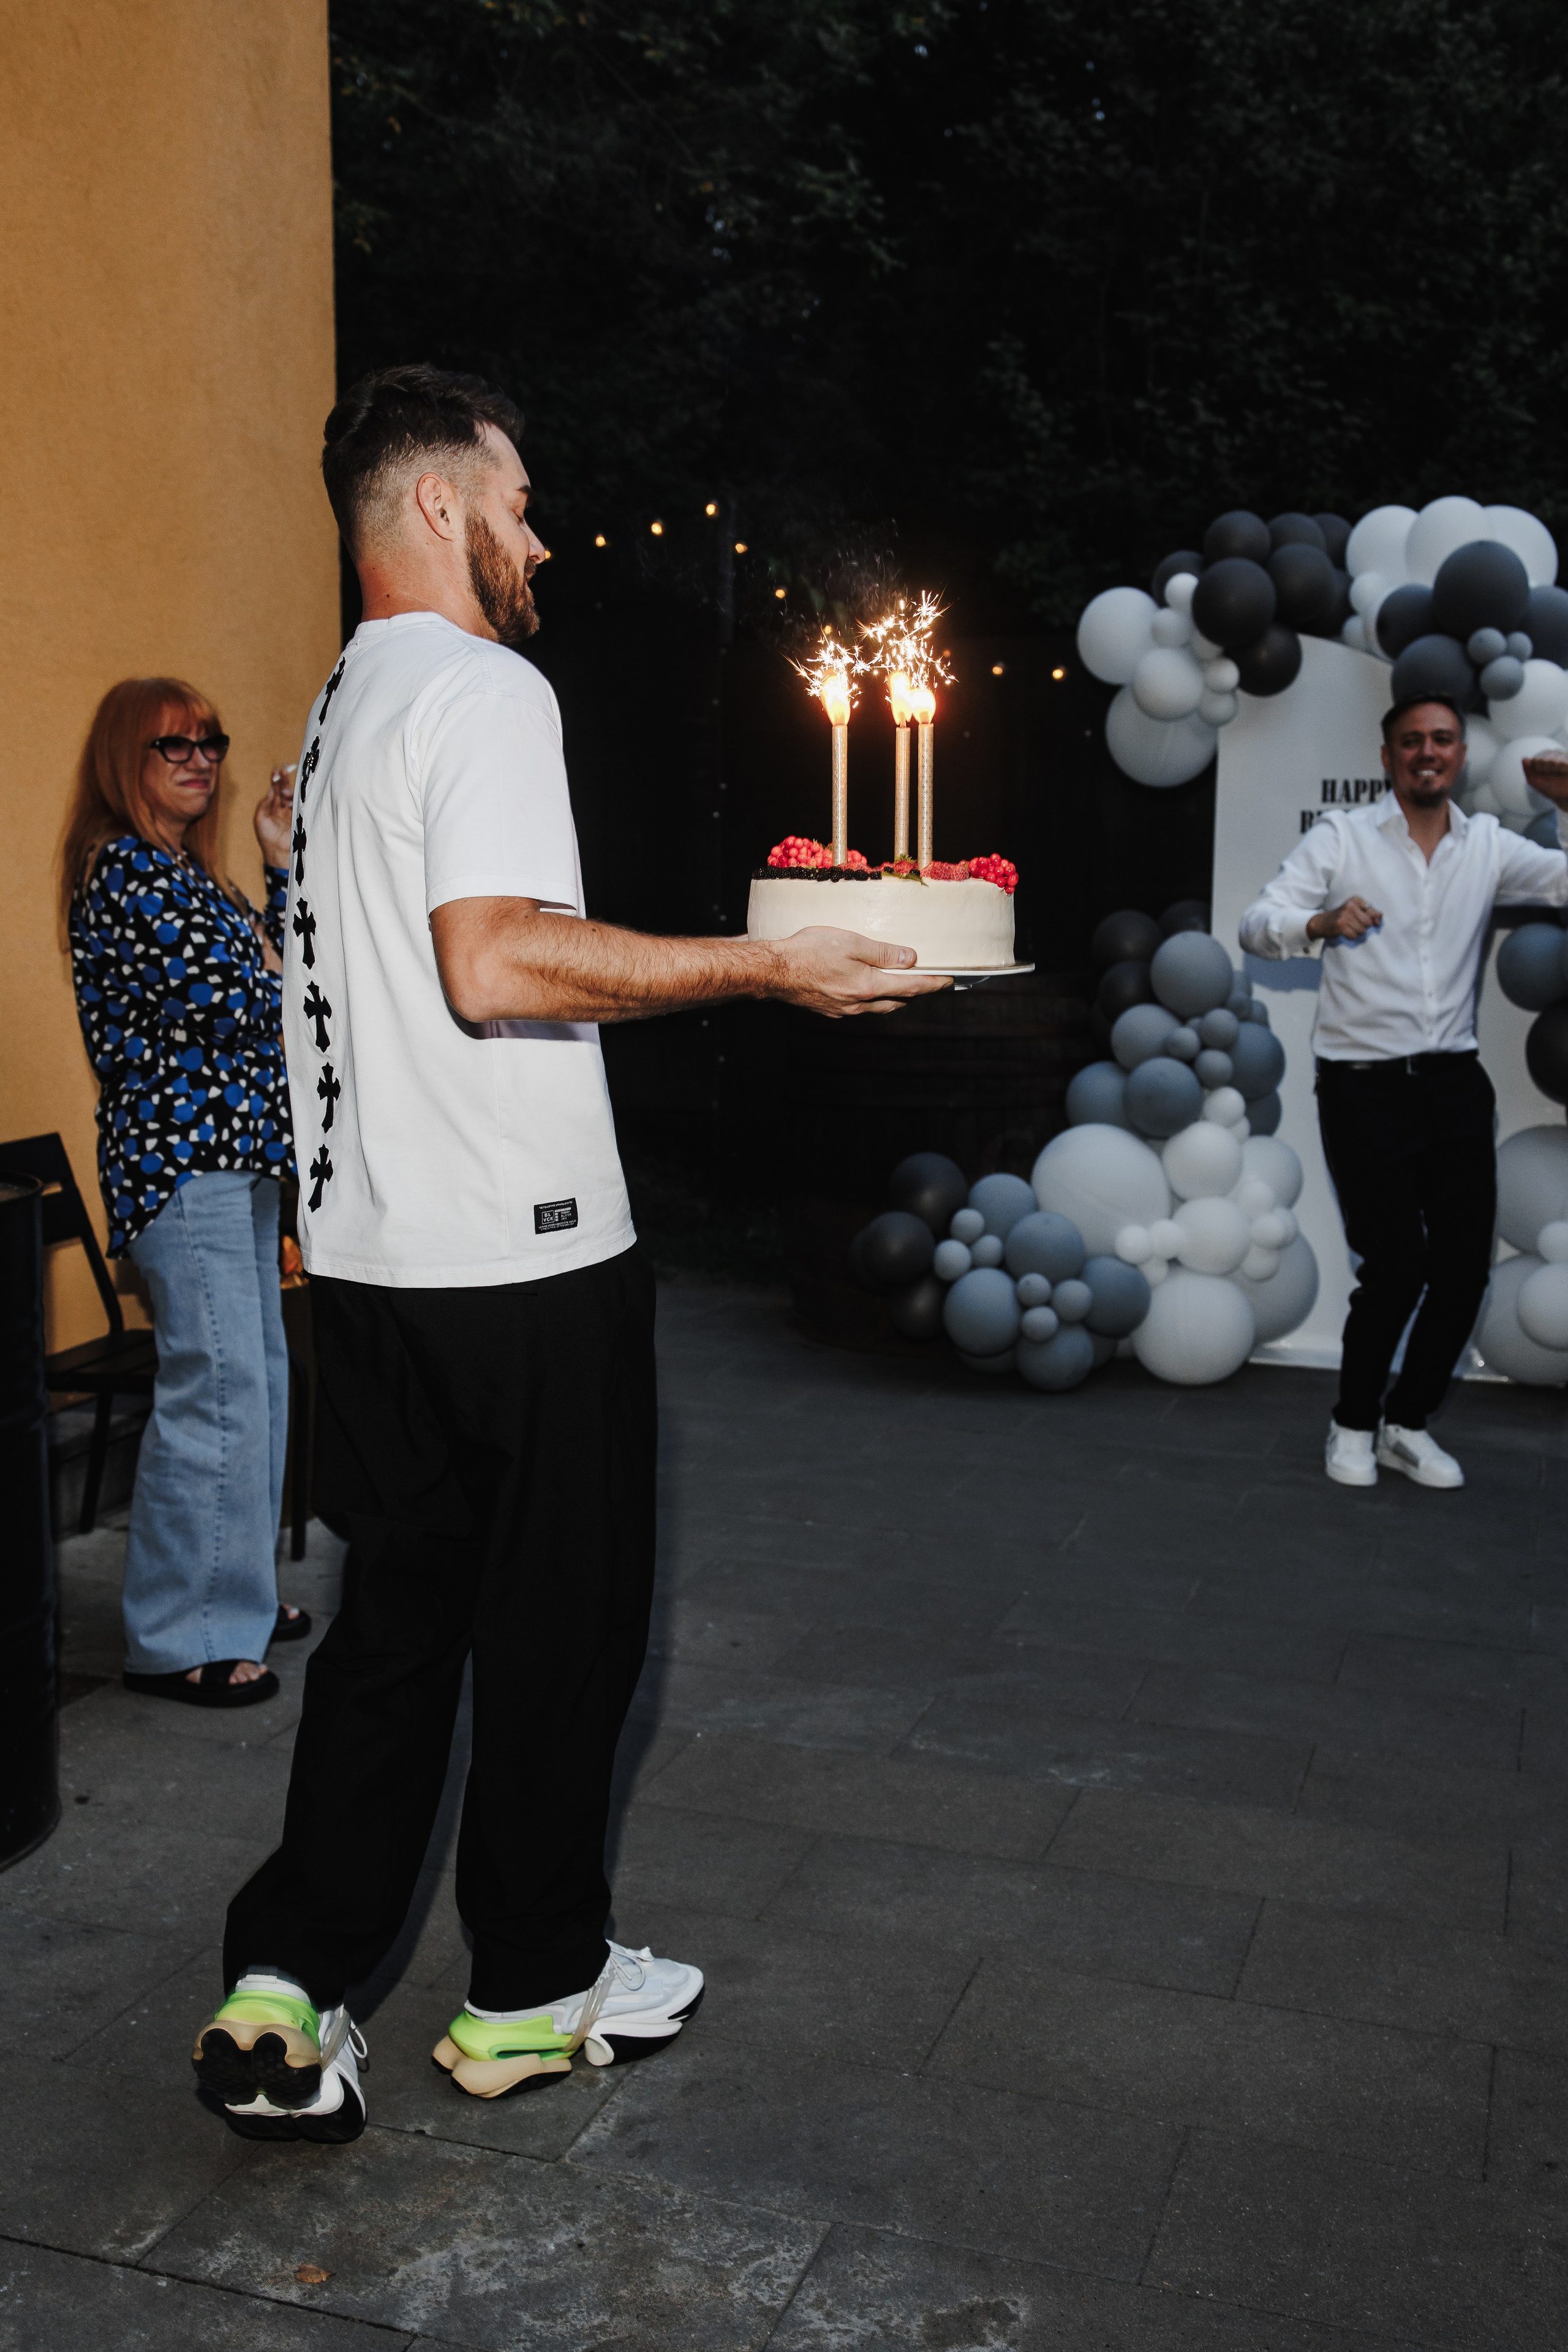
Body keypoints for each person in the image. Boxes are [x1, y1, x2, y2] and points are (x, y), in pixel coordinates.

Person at [190, 364, 947, 2144]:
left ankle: (289, 1984)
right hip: (529, 1279)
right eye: (519, 501)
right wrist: (771, 964)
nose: (540, 536)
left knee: (394, 1646)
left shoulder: (337, 713)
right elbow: (493, 964)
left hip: (373, 1279)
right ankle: (531, 1994)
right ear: (441, 505)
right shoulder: (481, 690)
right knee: (560, 1646)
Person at [1240, 693, 1568, 1491]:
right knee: (1396, 1266)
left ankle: (1407, 1424)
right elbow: (1259, 922)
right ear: (1387, 758)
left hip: (1454, 1086)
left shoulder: (1489, 845)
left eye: (1444, 740)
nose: (1429, 752)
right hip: (1361, 1090)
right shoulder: (1343, 837)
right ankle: (1352, 1423)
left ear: (1459, 755)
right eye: (1412, 741)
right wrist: (1319, 925)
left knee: (1462, 1269)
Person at [62, 678, 311, 1703]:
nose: (202, 759)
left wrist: (279, 868)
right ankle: (180, 1634)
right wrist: (271, 947)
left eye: (212, 740)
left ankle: (235, 1590)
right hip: (184, 1162)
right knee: (214, 1391)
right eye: (176, 745)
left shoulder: (187, 876)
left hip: (236, 1159)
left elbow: (288, 977)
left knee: (254, 1380)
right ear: (131, 758)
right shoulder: (125, 872)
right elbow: (262, 995)